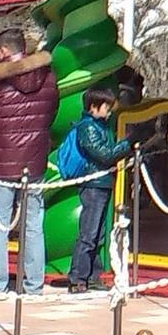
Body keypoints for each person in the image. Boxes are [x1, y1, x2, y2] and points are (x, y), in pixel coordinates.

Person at [0, 28, 59, 296]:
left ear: (1, 52)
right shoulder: (49, 78)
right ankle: (33, 285)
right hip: (34, 160)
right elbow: (51, 114)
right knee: (33, 225)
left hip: (0, 159)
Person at [64, 87, 136, 294]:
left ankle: (93, 275)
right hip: (93, 184)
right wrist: (127, 143)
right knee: (88, 232)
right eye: (107, 107)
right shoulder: (88, 128)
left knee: (99, 233)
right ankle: (77, 277)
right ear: (94, 107)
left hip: (103, 183)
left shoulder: (101, 126)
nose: (110, 111)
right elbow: (104, 155)